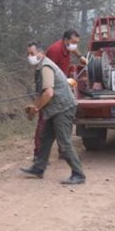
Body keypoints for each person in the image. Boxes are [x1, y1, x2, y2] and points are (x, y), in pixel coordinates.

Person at [21, 41, 86, 185]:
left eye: (32, 53)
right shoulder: (41, 66)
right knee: (45, 138)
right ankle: (38, 168)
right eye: (28, 54)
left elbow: (49, 93)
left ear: (41, 53)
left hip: (63, 108)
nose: (29, 57)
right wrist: (35, 105)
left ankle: (78, 174)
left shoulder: (45, 67)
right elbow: (43, 92)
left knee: (64, 142)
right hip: (55, 108)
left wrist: (35, 108)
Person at [36, 30, 87, 160]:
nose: (75, 45)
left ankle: (63, 150)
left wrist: (80, 57)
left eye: (77, 43)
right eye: (73, 42)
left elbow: (74, 49)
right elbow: (47, 71)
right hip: (50, 88)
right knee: (45, 121)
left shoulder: (68, 47)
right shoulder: (55, 50)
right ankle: (38, 154)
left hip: (61, 88)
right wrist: (60, 84)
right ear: (65, 40)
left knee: (63, 120)